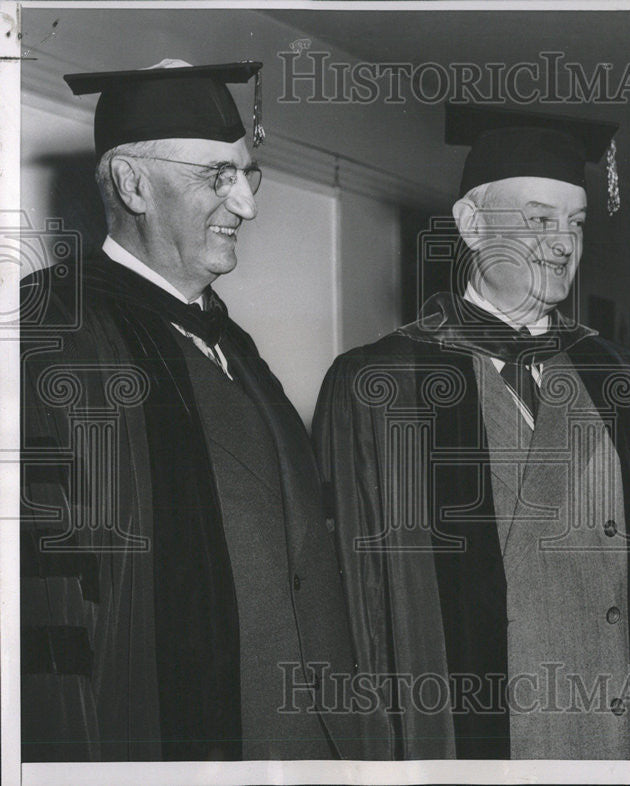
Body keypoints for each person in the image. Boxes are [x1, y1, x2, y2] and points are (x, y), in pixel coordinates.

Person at [20, 60, 387, 761]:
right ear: (133, 185)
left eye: (247, 176)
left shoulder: (235, 346)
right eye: (216, 177)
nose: (246, 205)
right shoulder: (53, 336)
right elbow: (47, 620)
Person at [312, 103, 630, 760]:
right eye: (540, 219)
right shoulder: (381, 385)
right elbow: (357, 615)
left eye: (576, 222)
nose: (565, 243)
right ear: (472, 224)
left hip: (614, 741)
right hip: (477, 746)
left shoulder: (629, 382)